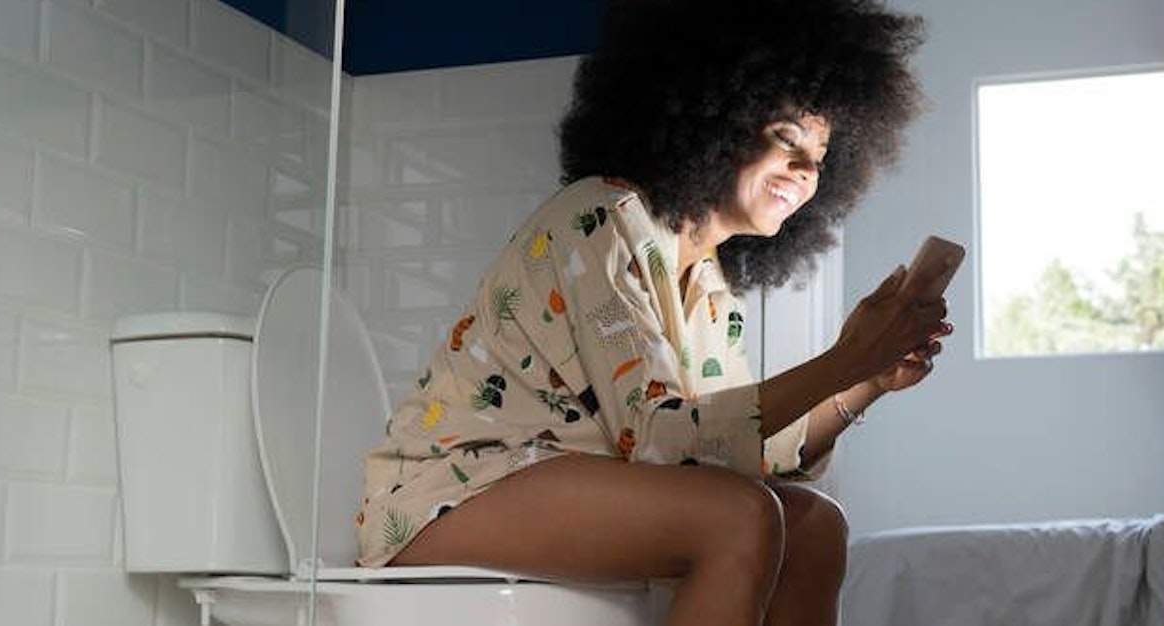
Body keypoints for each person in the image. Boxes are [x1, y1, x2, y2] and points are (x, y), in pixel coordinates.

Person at [353, 1, 940, 624]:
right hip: (448, 493)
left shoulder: (707, 282)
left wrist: (865, 379)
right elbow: (663, 440)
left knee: (815, 525)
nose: (804, 171)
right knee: (736, 515)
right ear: (718, 118)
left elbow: (740, 446)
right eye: (785, 140)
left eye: (818, 159)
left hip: (558, 482)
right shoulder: (602, 218)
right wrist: (845, 359)